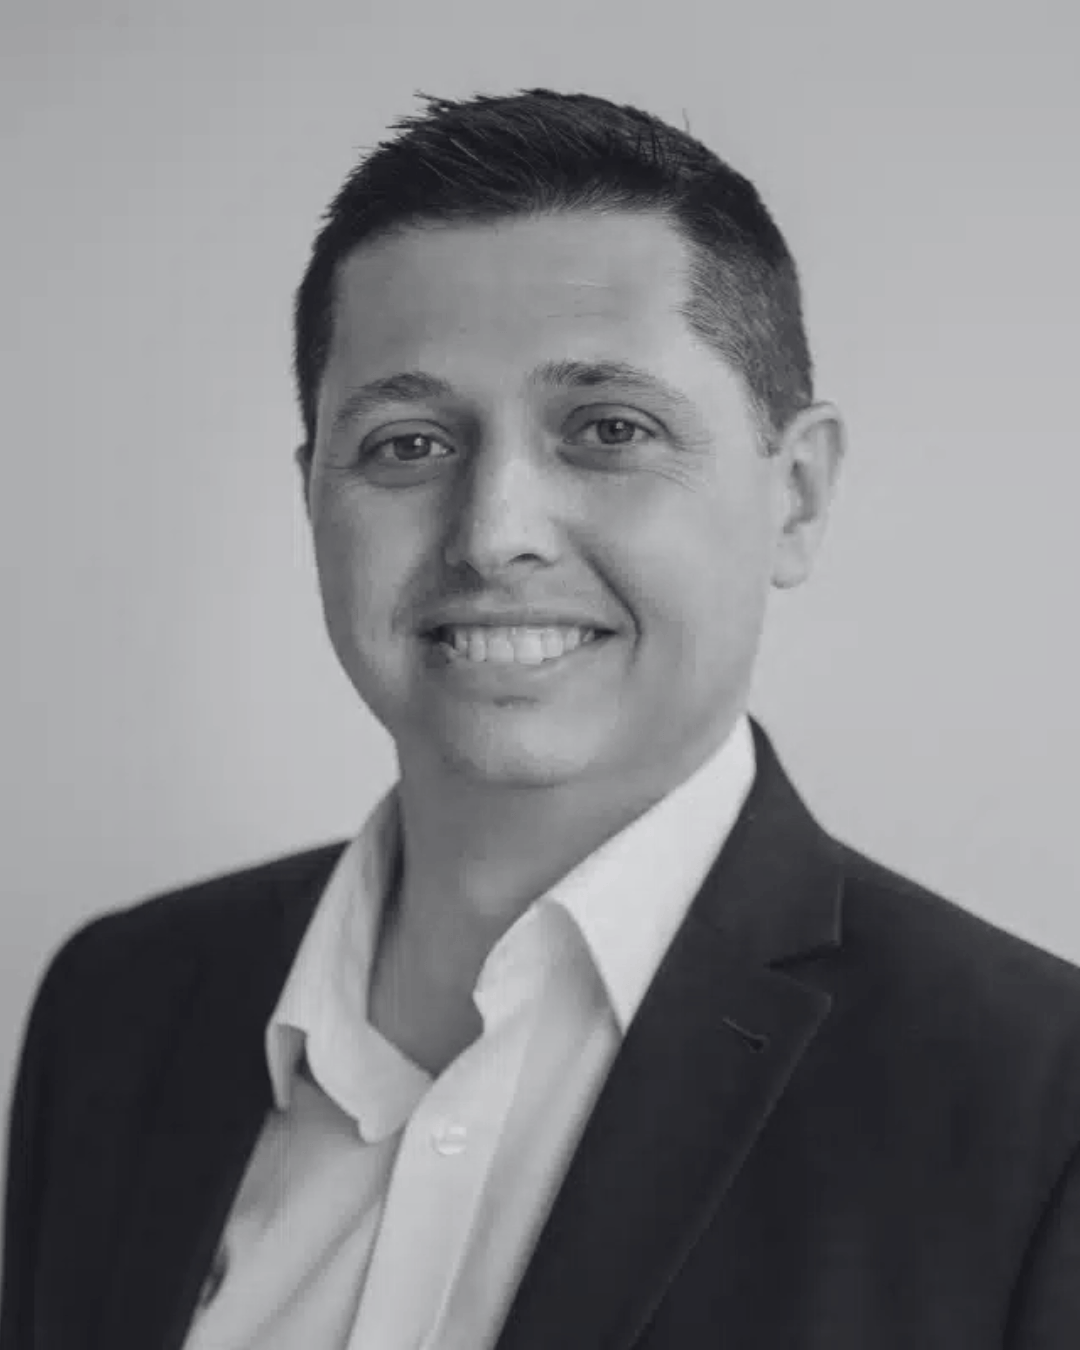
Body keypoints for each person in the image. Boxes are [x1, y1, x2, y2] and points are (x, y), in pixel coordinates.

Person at [3, 88, 1079, 1350]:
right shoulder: (117, 1007)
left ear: (795, 496)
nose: (497, 530)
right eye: (407, 443)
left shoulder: (1038, 1116)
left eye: (610, 430)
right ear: (313, 500)